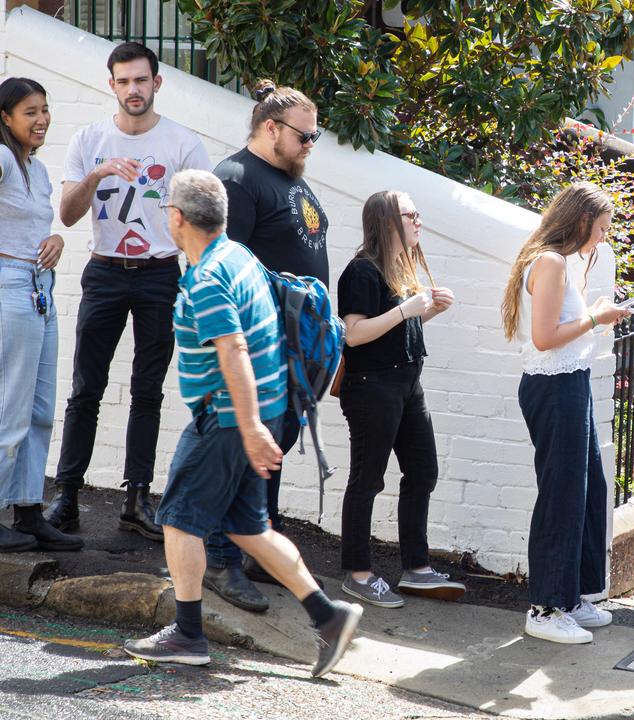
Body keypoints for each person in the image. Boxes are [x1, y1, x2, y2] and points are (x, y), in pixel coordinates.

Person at [122, 170, 360, 675]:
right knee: (248, 527)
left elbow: (234, 351)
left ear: (177, 218)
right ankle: (329, 615)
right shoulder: (241, 257)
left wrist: (248, 427)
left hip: (227, 419)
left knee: (179, 519)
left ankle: (187, 635)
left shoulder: (208, 278)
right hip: (264, 413)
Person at [45, 42, 213, 542]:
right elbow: (69, 214)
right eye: (124, 81)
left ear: (156, 83)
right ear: (111, 84)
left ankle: (136, 499)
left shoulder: (183, 144)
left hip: (160, 274)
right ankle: (68, 496)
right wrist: (98, 172)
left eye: (141, 80)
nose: (133, 89)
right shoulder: (89, 138)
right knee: (85, 389)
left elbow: (202, 224)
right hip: (105, 271)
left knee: (147, 390)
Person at [204, 80, 329, 613]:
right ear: (271, 127)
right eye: (305, 135)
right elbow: (220, 269)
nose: (310, 145)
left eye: (315, 135)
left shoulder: (288, 178)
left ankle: (259, 550)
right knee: (239, 456)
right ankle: (220, 562)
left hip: (293, 354)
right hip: (257, 349)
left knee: (268, 459)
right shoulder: (236, 179)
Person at [500, 182, 627, 644]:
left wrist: (593, 311)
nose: (601, 239)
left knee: (586, 487)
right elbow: (544, 337)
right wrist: (596, 318)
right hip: (554, 387)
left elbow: (557, 328)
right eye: (600, 229)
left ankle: (571, 596)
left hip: (569, 382)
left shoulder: (553, 261)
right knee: (562, 494)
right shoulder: (551, 261)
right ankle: (546, 607)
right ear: (580, 222)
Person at [335, 191, 465, 608]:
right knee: (367, 478)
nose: (418, 222)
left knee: (423, 470)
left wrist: (429, 312)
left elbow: (395, 327)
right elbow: (354, 334)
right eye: (411, 215)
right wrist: (408, 310)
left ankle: (416, 568)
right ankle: (357, 573)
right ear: (387, 221)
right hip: (372, 386)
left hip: (408, 383)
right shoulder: (361, 271)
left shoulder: (400, 267)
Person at [0, 78, 78, 553]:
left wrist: (58, 241)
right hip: (10, 289)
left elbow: (40, 229)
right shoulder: (3, 158)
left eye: (45, 110)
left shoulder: (40, 169)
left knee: (40, 409)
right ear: (5, 118)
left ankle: (28, 510)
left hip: (40, 291)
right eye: (30, 112)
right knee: (10, 408)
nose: (42, 119)